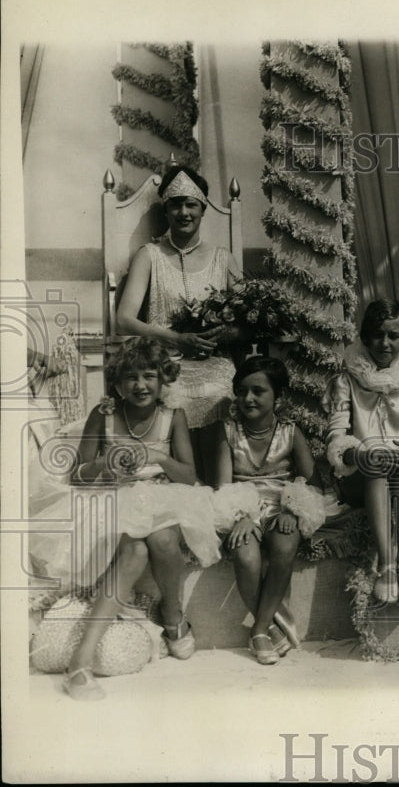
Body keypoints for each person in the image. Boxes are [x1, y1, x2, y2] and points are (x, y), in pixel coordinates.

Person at [33, 338, 221, 700]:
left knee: (164, 540)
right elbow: (78, 475)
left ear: (162, 379)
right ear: (118, 384)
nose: (140, 385)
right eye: (130, 377)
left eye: (149, 375)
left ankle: (172, 615)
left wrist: (158, 457)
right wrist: (106, 464)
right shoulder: (103, 414)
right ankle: (82, 661)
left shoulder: (172, 416)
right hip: (113, 499)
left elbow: (190, 476)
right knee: (135, 550)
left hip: (164, 499)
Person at [116, 165, 242, 479]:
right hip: (164, 362)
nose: (183, 212)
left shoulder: (222, 258)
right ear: (166, 209)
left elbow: (248, 321)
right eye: (175, 204)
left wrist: (223, 334)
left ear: (202, 209)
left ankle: (219, 488)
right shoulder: (150, 255)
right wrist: (175, 339)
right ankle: (185, 486)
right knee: (172, 393)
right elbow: (124, 320)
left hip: (215, 361)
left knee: (223, 390)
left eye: (191, 204)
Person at [325, 300, 399, 605]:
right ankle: (386, 564)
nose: (385, 343)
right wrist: (355, 454)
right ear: (365, 338)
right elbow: (337, 433)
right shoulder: (347, 382)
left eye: (393, 336)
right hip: (362, 478)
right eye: (377, 335)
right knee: (376, 465)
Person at [216, 356, 329, 664]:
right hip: (242, 507)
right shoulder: (228, 433)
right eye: (241, 391)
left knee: (284, 545)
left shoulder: (291, 433)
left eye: (258, 391)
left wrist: (293, 510)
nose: (247, 398)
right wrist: (240, 516)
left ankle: (259, 629)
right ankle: (269, 629)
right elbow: (223, 487)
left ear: (278, 398)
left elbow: (313, 482)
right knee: (245, 554)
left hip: (282, 504)